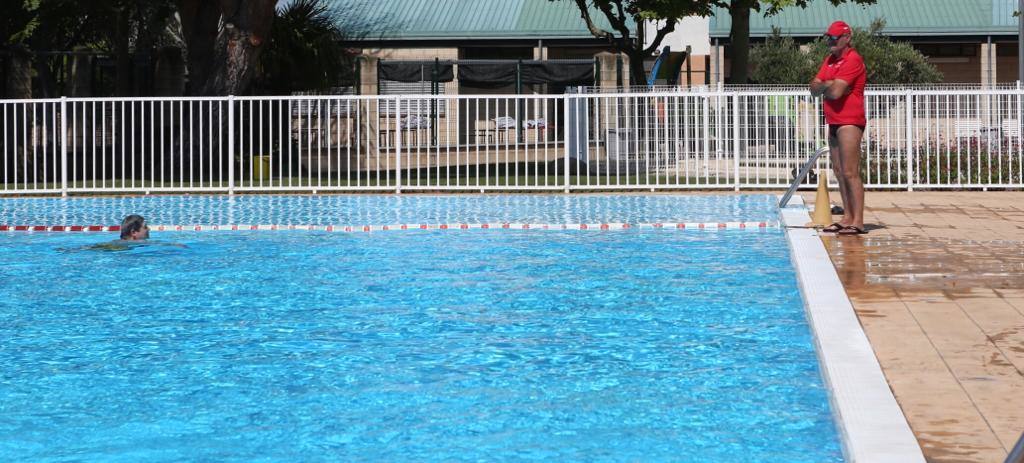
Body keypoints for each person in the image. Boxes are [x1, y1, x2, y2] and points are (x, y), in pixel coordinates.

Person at [810, 20, 868, 235]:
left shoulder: (853, 60)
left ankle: (858, 221)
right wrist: (831, 84)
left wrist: (828, 85)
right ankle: (846, 218)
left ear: (847, 38)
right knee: (839, 171)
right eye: (828, 38)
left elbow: (833, 93)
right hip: (833, 120)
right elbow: (813, 88)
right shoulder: (830, 60)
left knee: (851, 172)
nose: (830, 42)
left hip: (849, 121)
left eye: (834, 38)